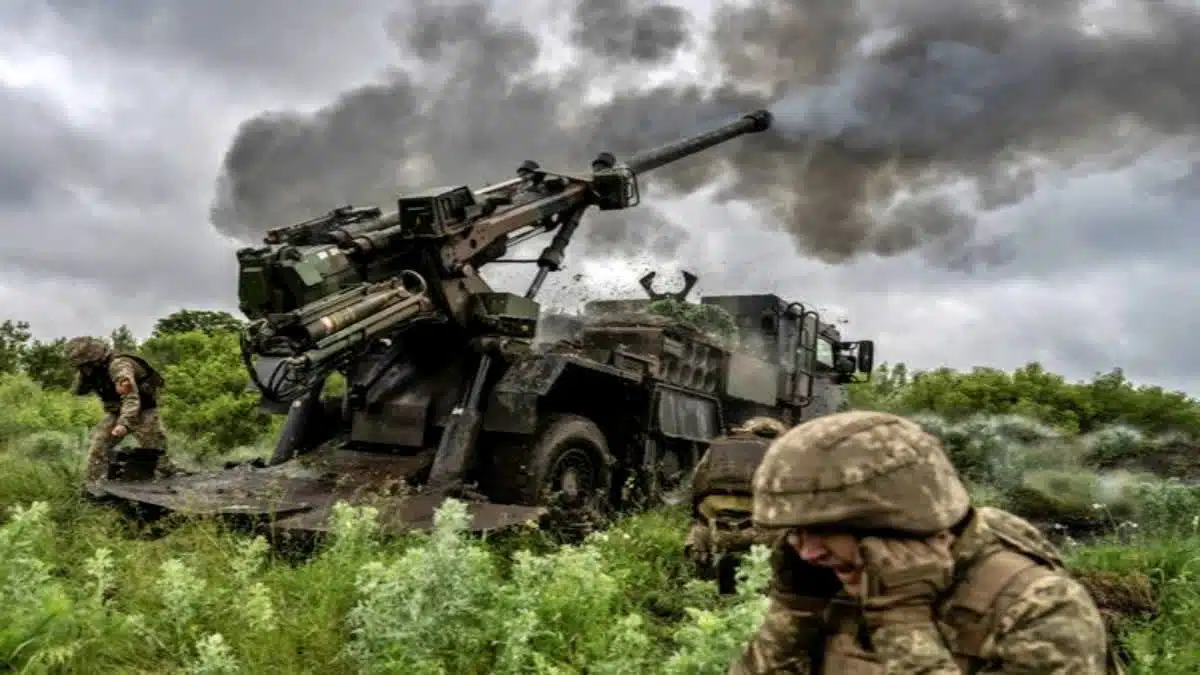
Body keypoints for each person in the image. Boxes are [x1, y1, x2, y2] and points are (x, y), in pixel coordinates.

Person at [730, 410, 1121, 675]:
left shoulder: (1040, 609)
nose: (808, 552)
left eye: (824, 530)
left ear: (905, 519)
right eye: (795, 532)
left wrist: (902, 626)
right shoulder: (826, 582)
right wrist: (793, 615)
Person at [685, 416, 788, 594]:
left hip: (717, 528)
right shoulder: (782, 451)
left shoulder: (719, 447)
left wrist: (701, 517)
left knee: (699, 530)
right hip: (760, 530)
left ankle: (706, 588)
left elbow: (697, 483)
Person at [64, 336, 175, 481]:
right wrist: (84, 378)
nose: (82, 369)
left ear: (94, 360)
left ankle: (174, 484)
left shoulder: (120, 367)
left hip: (143, 411)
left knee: (159, 457)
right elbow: (78, 391)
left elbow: (131, 398)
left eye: (84, 365)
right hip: (116, 412)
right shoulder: (91, 371)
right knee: (97, 450)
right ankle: (91, 485)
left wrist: (124, 423)